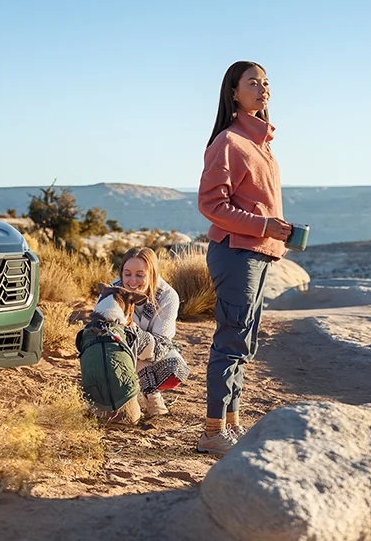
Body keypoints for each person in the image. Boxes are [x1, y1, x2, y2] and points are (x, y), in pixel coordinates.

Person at [196, 61, 293, 455]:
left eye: (266, 82)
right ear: (234, 92)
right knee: (231, 340)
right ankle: (212, 432)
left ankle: (230, 425)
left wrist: (274, 231)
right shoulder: (229, 142)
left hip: (255, 253)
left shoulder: (261, 144)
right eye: (253, 82)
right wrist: (263, 225)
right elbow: (210, 204)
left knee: (244, 341)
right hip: (235, 252)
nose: (262, 88)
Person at [111, 247, 189, 419]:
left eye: (140, 275)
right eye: (127, 274)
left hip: (152, 349)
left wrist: (132, 336)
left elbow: (161, 343)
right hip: (119, 349)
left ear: (152, 273)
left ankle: (152, 394)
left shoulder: (168, 296)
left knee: (174, 367)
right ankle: (124, 394)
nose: (132, 281)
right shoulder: (112, 291)